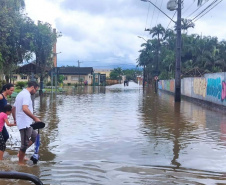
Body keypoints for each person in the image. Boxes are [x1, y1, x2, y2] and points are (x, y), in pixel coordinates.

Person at [12, 81, 41, 165]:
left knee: (35, 137)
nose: (35, 92)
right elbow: (24, 108)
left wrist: (15, 119)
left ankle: (20, 154)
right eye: (36, 90)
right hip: (24, 123)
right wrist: (35, 118)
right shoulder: (26, 95)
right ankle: (20, 163)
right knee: (24, 144)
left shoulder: (20, 94)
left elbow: (14, 108)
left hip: (28, 123)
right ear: (32, 87)